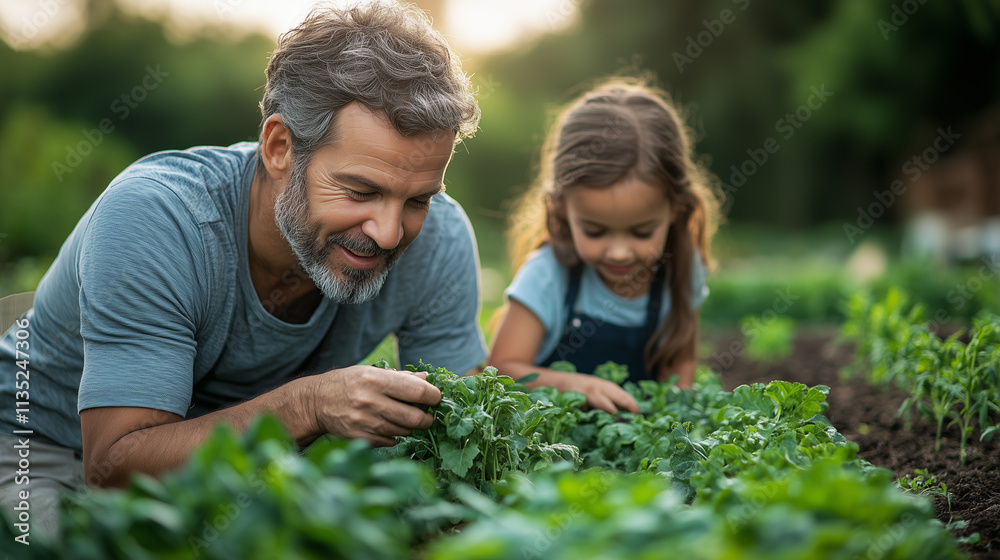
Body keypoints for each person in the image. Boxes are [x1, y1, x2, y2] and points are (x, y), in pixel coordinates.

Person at [0, 1, 485, 534]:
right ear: (280, 148)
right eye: (360, 191)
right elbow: (113, 469)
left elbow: (458, 440)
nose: (389, 233)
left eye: (417, 200)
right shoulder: (159, 217)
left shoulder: (440, 238)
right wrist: (311, 405)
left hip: (255, 467)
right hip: (46, 450)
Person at [488, 78, 719, 414]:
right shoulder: (548, 275)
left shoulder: (682, 270)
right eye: (595, 231)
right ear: (561, 211)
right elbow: (503, 371)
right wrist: (573, 386)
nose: (619, 252)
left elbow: (679, 376)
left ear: (677, 210)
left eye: (642, 232)